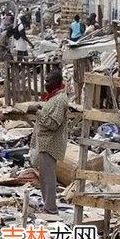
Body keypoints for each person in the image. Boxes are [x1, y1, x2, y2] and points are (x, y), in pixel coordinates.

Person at [30, 70, 68, 214]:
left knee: (49, 177)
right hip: (45, 143)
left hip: (50, 143)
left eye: (48, 81)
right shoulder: (53, 98)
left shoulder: (60, 100)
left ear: (57, 83)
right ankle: (47, 205)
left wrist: (38, 113)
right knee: (45, 177)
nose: (46, 84)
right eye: (45, 81)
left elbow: (53, 124)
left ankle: (50, 208)